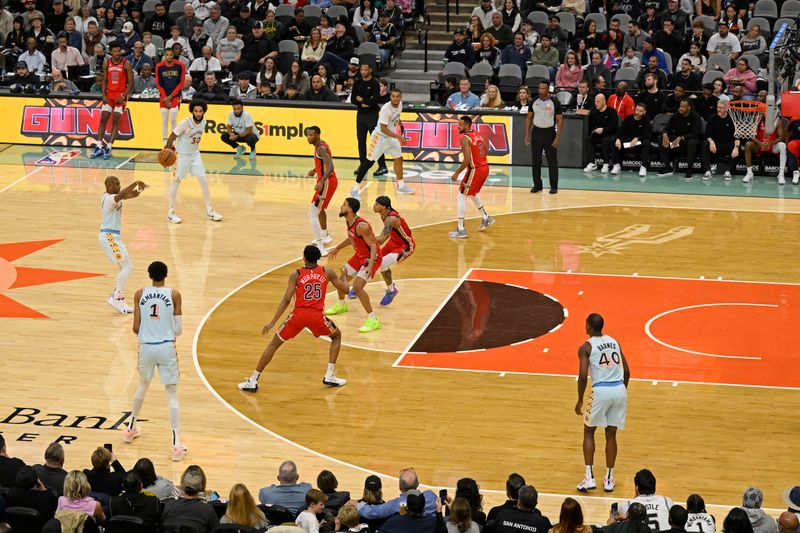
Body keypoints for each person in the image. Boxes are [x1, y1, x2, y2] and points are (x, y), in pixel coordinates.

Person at [238, 244, 349, 391]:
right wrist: (344, 276)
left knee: (274, 344)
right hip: (316, 315)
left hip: (298, 315)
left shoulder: (296, 274)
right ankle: (329, 375)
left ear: (304, 258)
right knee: (336, 336)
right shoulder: (327, 272)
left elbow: (286, 299)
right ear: (318, 258)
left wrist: (272, 322)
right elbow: (346, 290)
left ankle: (253, 380)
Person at [123, 260, 187, 460]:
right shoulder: (174, 295)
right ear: (165, 275)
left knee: (142, 385)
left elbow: (135, 327)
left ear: (149, 275)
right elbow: (178, 330)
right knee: (171, 394)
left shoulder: (140, 294)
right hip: (166, 347)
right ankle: (176, 445)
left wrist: (149, 330)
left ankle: (130, 428)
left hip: (146, 347)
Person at [575, 313, 630, 492]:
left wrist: (580, 399)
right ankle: (609, 479)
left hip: (601, 390)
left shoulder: (586, 347)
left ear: (589, 327)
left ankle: (589, 478)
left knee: (589, 431)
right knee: (611, 435)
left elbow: (583, 376)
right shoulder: (615, 342)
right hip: (619, 389)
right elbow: (627, 371)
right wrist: (622, 392)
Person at [325, 198, 383, 333]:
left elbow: (374, 245)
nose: (341, 206)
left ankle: (373, 320)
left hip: (371, 257)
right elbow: (352, 238)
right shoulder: (349, 221)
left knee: (357, 287)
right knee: (342, 277)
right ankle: (341, 305)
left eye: (344, 205)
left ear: (350, 210)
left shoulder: (362, 226)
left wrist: (370, 266)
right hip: (360, 256)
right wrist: (338, 248)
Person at [164, 99, 224, 223]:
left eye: (200, 111)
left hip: (195, 155)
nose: (198, 113)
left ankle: (210, 211)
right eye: (196, 111)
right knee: (176, 181)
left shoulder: (204, 122)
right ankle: (170, 212)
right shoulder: (185, 122)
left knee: (204, 180)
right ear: (192, 111)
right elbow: (173, 135)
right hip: (183, 156)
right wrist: (168, 150)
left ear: (203, 112)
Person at [98, 176, 148, 315]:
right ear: (108, 186)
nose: (119, 186)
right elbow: (121, 194)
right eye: (116, 184)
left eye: (120, 184)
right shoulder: (108, 198)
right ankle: (116, 297)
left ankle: (117, 297)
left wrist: (139, 189)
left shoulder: (115, 197)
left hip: (112, 237)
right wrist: (135, 182)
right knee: (127, 266)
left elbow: (132, 195)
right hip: (109, 237)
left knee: (124, 266)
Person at [352, 88, 415, 197]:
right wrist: (399, 137)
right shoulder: (386, 109)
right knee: (368, 163)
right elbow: (383, 128)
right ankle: (355, 188)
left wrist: (399, 123)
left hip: (391, 138)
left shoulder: (400, 104)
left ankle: (401, 186)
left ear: (400, 97)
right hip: (379, 138)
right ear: (390, 97)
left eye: (397, 96)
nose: (395, 99)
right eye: (393, 96)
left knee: (399, 158)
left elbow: (396, 115)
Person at [447, 115, 494, 238]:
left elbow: (467, 160)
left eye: (460, 124)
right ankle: (486, 217)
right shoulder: (477, 133)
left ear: (467, 125)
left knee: (462, 194)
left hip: (476, 169)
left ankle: (461, 229)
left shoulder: (464, 137)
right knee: (472, 193)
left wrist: (456, 173)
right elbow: (486, 149)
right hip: (485, 167)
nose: (458, 126)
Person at [90, 43, 134, 160]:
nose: (117, 53)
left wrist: (124, 95)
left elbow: (131, 83)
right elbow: (104, 80)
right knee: (104, 117)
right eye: (114, 51)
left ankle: (109, 146)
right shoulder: (107, 63)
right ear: (111, 52)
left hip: (120, 95)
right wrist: (103, 95)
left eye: (118, 51)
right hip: (109, 94)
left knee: (115, 118)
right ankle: (99, 146)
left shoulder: (126, 63)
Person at [301, 126, 338, 252]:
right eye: (308, 135)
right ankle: (325, 235)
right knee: (319, 209)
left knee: (312, 213)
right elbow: (323, 163)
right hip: (329, 182)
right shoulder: (320, 146)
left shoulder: (321, 148)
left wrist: (321, 181)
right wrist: (314, 170)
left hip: (327, 183)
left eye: (311, 135)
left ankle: (320, 246)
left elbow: (330, 166)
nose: (309, 137)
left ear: (317, 135)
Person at [372, 196, 414, 305]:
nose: (374, 206)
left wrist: (364, 239)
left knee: (382, 263)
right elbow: (382, 239)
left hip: (405, 245)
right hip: (393, 242)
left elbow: (381, 237)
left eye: (377, 204)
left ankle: (391, 290)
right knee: (374, 259)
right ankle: (359, 286)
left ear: (384, 207)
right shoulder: (384, 214)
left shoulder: (391, 218)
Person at [525, 80, 562, 194]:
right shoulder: (533, 102)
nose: (540, 91)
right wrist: (527, 134)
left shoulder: (554, 102)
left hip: (549, 133)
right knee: (536, 160)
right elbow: (529, 118)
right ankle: (537, 185)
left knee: (552, 161)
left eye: (543, 89)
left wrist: (557, 138)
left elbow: (560, 121)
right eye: (539, 88)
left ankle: (554, 186)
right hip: (536, 132)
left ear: (548, 90)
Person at [352, 63, 388, 177]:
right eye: (361, 70)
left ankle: (382, 166)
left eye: (365, 70)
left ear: (370, 70)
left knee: (376, 141)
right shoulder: (357, 82)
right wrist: (364, 102)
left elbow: (375, 101)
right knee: (361, 141)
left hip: (372, 115)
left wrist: (362, 99)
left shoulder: (374, 83)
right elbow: (353, 98)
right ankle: (363, 165)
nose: (363, 72)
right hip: (360, 115)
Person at [161, 468, 219, 532]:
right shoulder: (207, 509)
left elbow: (161, 526)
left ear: (182, 485)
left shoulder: (169, 505)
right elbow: (217, 530)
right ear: (200, 487)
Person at [658, 99, 703, 179]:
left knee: (692, 142)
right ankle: (668, 167)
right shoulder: (676, 115)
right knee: (661, 138)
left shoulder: (695, 116)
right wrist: (664, 134)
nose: (680, 108)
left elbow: (696, 133)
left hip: (689, 141)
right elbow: (667, 128)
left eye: (683, 107)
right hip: (677, 142)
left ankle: (689, 169)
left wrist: (682, 137)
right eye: (680, 106)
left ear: (689, 108)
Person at [702, 100, 740, 181]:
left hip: (728, 144)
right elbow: (708, 134)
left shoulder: (733, 119)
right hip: (715, 145)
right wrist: (711, 142)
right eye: (718, 107)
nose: (718, 109)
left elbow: (737, 137)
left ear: (727, 109)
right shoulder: (711, 118)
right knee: (705, 143)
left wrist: (736, 148)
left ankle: (728, 171)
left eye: (721, 108)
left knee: (736, 147)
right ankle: (708, 171)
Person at [583, 94, 620, 174]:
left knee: (605, 140)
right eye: (595, 101)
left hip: (611, 134)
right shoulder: (594, 112)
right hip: (599, 134)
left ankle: (606, 164)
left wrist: (603, 129)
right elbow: (591, 127)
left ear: (604, 101)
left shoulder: (612, 111)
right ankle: (592, 163)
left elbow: (614, 127)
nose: (596, 103)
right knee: (588, 139)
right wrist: (594, 130)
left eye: (598, 101)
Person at [155, 48, 186, 146]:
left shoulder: (180, 65)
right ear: (164, 55)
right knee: (164, 119)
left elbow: (181, 82)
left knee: (173, 119)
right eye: (167, 55)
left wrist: (170, 97)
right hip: (163, 96)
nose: (169, 57)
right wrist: (165, 97)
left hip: (175, 96)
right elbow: (158, 83)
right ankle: (165, 142)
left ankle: (173, 142)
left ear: (173, 55)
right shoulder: (159, 66)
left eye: (171, 54)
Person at [612, 103, 651, 177]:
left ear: (644, 112)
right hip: (627, 142)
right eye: (636, 110)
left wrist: (637, 138)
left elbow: (647, 134)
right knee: (614, 140)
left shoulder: (646, 120)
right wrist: (618, 139)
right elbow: (620, 131)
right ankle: (616, 165)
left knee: (646, 142)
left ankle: (643, 167)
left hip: (638, 143)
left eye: (640, 111)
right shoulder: (628, 118)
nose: (637, 112)